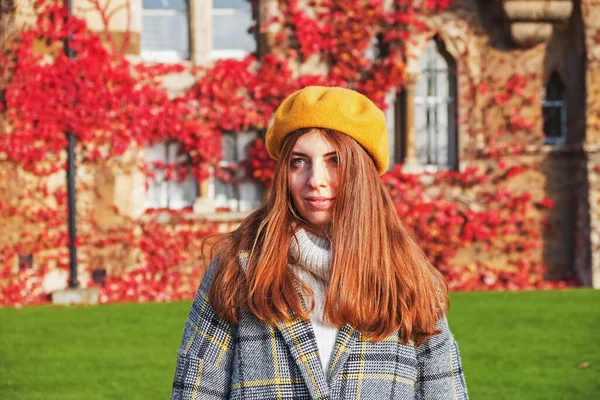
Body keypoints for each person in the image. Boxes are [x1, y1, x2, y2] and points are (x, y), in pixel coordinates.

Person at [170, 86, 468, 400]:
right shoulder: (237, 270)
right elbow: (197, 391)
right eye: (299, 162)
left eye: (334, 160)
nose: (316, 180)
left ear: (361, 172)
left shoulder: (408, 279)